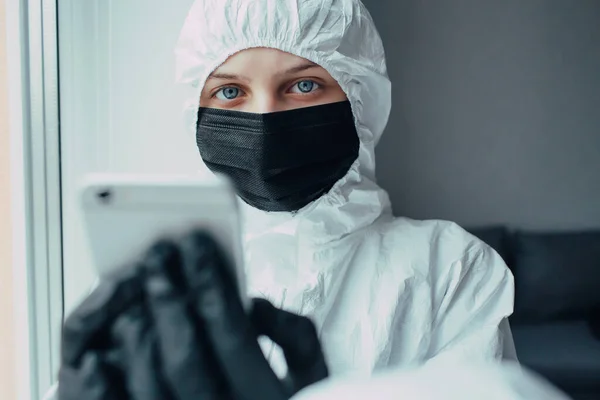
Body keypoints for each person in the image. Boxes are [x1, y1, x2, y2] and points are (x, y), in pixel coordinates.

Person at [47, 0, 518, 398]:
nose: (265, 119)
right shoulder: (165, 282)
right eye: (230, 91)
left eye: (303, 85)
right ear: (197, 110)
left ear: (359, 100)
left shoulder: (449, 271)